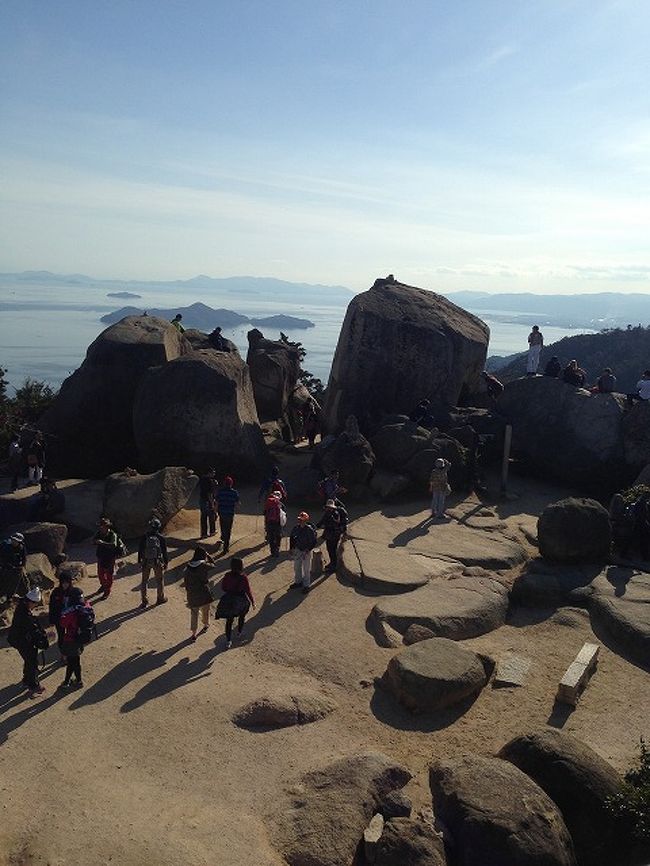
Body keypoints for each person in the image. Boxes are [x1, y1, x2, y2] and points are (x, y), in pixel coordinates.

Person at [7, 587, 46, 696]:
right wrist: (41, 638)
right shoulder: (25, 614)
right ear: (30, 602)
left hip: (17, 640)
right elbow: (32, 629)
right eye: (35, 603)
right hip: (22, 641)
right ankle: (33, 685)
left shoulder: (22, 606)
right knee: (32, 662)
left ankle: (26, 680)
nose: (35, 606)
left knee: (28, 659)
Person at [217, 556, 255, 649]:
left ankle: (228, 640)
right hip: (241, 599)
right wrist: (252, 601)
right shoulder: (243, 577)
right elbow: (247, 590)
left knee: (229, 621)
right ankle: (239, 633)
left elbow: (223, 588)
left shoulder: (227, 575)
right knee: (241, 617)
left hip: (229, 599)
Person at [183, 546, 215, 641]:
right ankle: (205, 625)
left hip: (192, 594)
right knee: (206, 610)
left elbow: (186, 582)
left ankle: (193, 634)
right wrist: (209, 556)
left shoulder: (188, 567)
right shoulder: (203, 565)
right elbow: (214, 565)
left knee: (194, 614)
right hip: (203, 592)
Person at [48, 570, 83, 656]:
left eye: (67, 582)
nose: (65, 584)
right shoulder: (56, 592)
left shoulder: (76, 592)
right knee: (61, 636)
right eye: (63, 582)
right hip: (60, 618)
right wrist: (52, 620)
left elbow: (81, 605)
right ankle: (64, 654)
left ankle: (76, 649)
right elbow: (52, 607)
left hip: (72, 618)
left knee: (74, 635)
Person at [137, 517, 168, 608]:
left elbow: (140, 550)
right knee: (159, 580)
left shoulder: (145, 536)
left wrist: (139, 561)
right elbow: (164, 552)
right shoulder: (161, 538)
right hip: (157, 561)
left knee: (144, 581)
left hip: (146, 561)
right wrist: (166, 562)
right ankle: (160, 598)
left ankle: (144, 601)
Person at [58, 601, 86, 689]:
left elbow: (63, 624)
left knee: (71, 662)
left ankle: (68, 682)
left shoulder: (72, 612)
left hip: (70, 640)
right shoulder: (84, 610)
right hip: (79, 639)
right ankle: (78, 681)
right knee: (76, 661)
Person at [289, 511, 318, 594]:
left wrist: (308, 549)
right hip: (298, 550)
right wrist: (291, 548)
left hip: (306, 551)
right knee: (296, 567)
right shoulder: (296, 528)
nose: (300, 521)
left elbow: (314, 541)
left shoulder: (309, 530)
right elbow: (292, 538)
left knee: (306, 569)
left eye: (302, 520)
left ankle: (306, 585)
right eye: (299, 520)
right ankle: (298, 582)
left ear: (306, 521)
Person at [316, 499, 348, 572]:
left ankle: (334, 566)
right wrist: (317, 526)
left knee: (332, 549)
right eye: (328, 507)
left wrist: (332, 519)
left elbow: (336, 523)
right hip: (329, 533)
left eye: (330, 507)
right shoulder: (327, 513)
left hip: (335, 534)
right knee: (329, 549)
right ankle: (332, 563)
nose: (328, 508)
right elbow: (322, 520)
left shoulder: (336, 514)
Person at [93, 517, 118, 599]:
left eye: (103, 526)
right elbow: (93, 540)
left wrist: (102, 543)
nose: (101, 527)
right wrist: (96, 542)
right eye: (101, 526)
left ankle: (107, 590)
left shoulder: (112, 534)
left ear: (107, 527)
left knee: (109, 574)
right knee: (100, 573)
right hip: (101, 556)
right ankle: (103, 585)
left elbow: (113, 545)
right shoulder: (99, 533)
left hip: (110, 557)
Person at [216, 475, 240, 554]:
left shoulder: (220, 492)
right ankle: (226, 547)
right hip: (230, 513)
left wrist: (216, 510)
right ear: (231, 484)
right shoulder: (234, 493)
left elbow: (216, 502)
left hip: (222, 512)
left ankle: (223, 536)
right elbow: (237, 503)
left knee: (223, 526)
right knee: (228, 529)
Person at [0, 532, 28, 597]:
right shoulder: (5, 545)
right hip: (5, 565)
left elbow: (24, 557)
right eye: (13, 540)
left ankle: (13, 595)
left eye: (16, 541)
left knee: (22, 581)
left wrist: (22, 565)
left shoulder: (21, 547)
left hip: (16, 567)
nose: (14, 542)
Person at [609, 493, 636, 559]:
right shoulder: (615, 508)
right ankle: (624, 554)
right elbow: (615, 518)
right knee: (628, 536)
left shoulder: (615, 507)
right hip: (617, 526)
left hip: (618, 524)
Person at [264, 492, 285, 557]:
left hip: (269, 523)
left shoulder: (268, 503)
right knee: (278, 536)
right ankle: (277, 549)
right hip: (277, 523)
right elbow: (283, 515)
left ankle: (272, 551)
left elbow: (264, 513)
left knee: (271, 537)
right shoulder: (280, 504)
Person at [198, 468, 218, 538]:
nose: (214, 474)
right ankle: (212, 531)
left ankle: (204, 533)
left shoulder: (202, 479)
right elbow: (210, 493)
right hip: (208, 500)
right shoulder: (210, 481)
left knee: (203, 517)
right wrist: (212, 503)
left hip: (202, 499)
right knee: (211, 516)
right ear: (209, 473)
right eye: (213, 472)